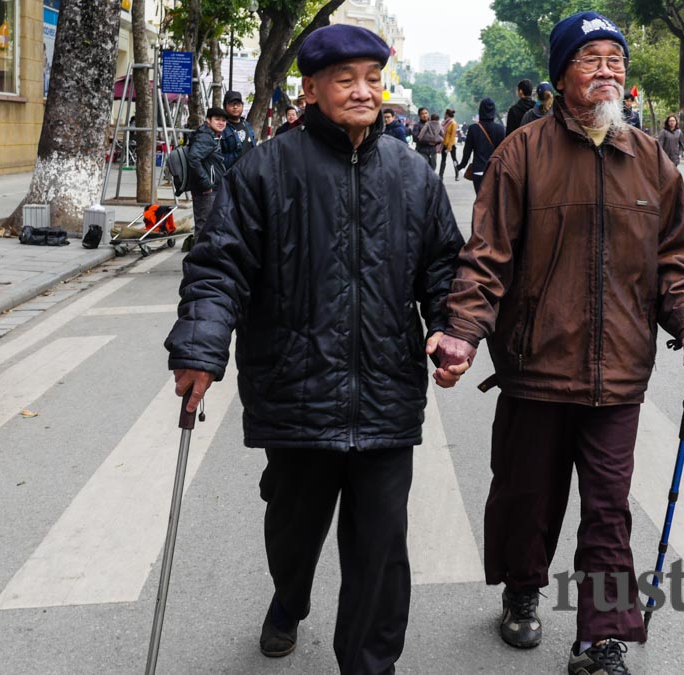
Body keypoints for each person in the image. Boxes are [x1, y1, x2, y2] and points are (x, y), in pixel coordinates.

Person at [164, 24, 464, 673]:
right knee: (293, 533)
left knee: (381, 554)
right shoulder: (267, 170)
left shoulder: (412, 175)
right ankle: (289, 597)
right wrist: (201, 346)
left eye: (372, 79)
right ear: (312, 88)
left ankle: (368, 664)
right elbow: (219, 265)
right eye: (346, 79)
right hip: (297, 395)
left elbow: (445, 262)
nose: (363, 92)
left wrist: (447, 323)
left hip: (387, 395)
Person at [433, 12, 684, 674]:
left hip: (619, 371)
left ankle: (603, 636)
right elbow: (486, 258)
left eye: (616, 59)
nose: (608, 70)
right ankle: (523, 590)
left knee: (609, 508)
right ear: (561, 75)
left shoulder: (651, 160)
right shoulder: (521, 154)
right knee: (528, 495)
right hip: (536, 366)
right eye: (591, 59)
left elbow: (676, 259)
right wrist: (464, 333)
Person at [185, 107, 228, 236]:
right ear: (208, 121)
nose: (221, 122)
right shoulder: (206, 137)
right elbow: (194, 158)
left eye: (223, 120)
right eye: (217, 119)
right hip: (205, 191)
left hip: (209, 188)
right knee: (204, 228)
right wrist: (206, 183)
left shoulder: (210, 135)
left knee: (208, 226)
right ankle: (200, 256)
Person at [456, 98, 505, 195]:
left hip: (478, 171)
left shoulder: (474, 129)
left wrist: (461, 166)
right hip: (495, 171)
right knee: (493, 202)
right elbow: (504, 152)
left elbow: (467, 151)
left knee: (480, 202)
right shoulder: (500, 129)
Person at [220, 90, 257, 169]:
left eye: (238, 104)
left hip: (248, 172)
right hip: (231, 174)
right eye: (231, 104)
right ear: (224, 106)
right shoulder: (221, 128)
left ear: (242, 106)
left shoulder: (247, 125)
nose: (235, 107)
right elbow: (217, 157)